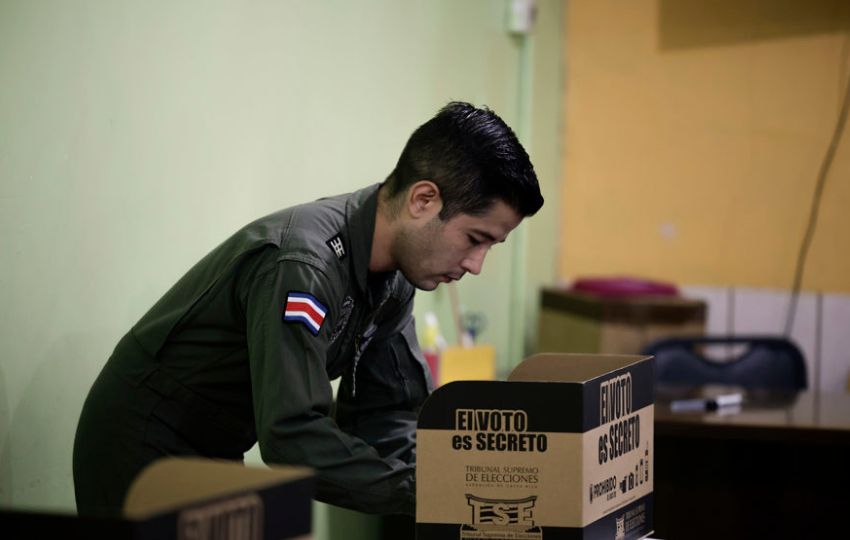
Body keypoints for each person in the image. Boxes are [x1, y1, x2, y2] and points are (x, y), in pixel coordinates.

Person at [73, 101, 544, 518]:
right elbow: (293, 436)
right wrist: (425, 494)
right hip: (143, 440)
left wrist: (457, 481)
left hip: (214, 445)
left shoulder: (396, 277)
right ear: (424, 200)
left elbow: (386, 410)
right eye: (475, 239)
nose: (477, 265)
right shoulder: (304, 265)